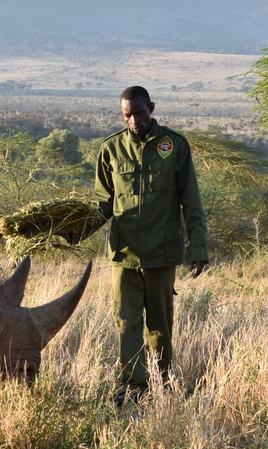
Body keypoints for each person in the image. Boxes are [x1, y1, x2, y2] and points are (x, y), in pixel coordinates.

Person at [68, 85, 209, 404]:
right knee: (126, 322)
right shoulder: (110, 149)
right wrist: (71, 233)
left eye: (140, 113)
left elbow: (192, 203)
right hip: (124, 254)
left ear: (152, 108)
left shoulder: (174, 146)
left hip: (162, 253)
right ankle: (132, 387)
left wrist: (198, 248)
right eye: (127, 115)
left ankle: (163, 386)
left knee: (160, 325)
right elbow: (103, 204)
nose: (134, 120)